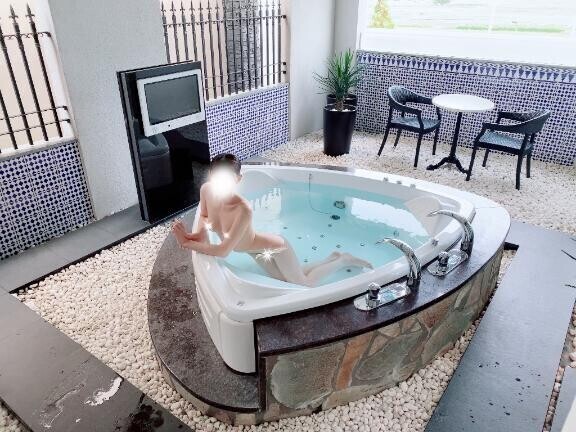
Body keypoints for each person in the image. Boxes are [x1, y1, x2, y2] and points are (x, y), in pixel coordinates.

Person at [172, 153, 373, 287]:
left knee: (304, 284)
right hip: (254, 251)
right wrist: (196, 234)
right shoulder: (206, 190)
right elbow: (205, 216)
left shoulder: (243, 209)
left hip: (275, 247)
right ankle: (332, 257)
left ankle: (343, 260)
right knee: (288, 278)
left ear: (238, 180)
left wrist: (187, 243)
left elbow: (223, 251)